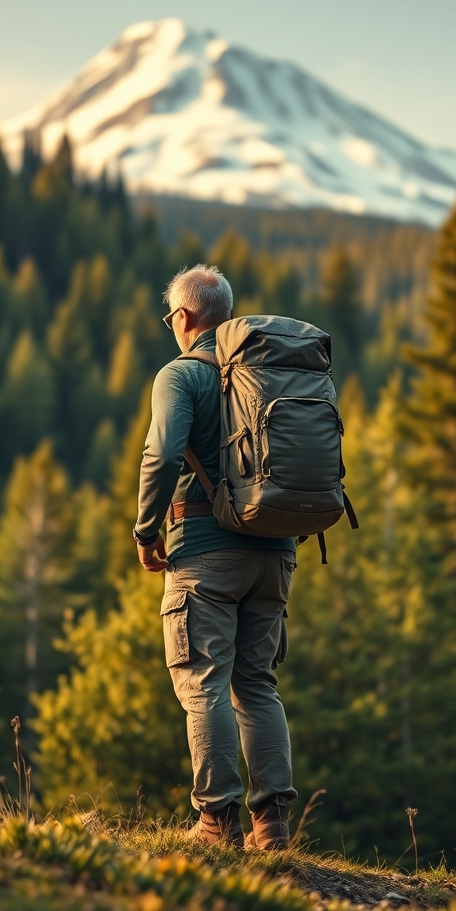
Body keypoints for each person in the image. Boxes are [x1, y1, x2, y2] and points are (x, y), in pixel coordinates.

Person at [134, 264, 298, 849]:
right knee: (256, 684)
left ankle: (217, 822)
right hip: (276, 550)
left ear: (183, 317)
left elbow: (162, 454)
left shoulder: (180, 375)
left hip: (206, 554)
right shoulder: (269, 371)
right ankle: (272, 825)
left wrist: (146, 530)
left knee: (204, 682)